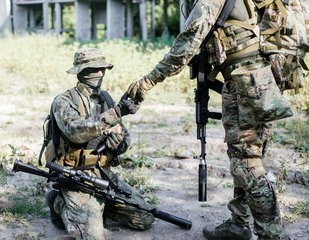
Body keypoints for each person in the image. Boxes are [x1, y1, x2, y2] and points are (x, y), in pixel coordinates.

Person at [126, 0, 294, 239]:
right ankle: (239, 224)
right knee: (245, 157)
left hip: (246, 83)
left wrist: (148, 81)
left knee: (246, 164)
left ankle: (272, 235)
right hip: (259, 80)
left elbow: (187, 44)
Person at [45, 48, 154, 240]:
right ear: (80, 71)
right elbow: (76, 132)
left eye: (103, 68)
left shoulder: (105, 99)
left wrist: (117, 142)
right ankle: (59, 202)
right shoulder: (64, 101)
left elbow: (125, 138)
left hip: (102, 174)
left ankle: (96, 208)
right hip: (75, 175)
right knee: (93, 236)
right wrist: (117, 112)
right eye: (94, 69)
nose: (100, 73)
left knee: (144, 217)